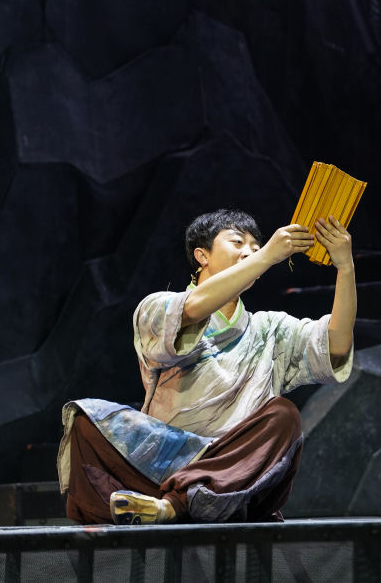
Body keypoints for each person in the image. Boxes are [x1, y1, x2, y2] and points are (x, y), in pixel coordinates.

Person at [56, 209, 356, 524]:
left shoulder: (271, 329)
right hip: (164, 464)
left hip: (237, 470)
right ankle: (160, 506)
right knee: (87, 419)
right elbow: (193, 308)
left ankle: (176, 506)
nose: (250, 252)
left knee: (284, 415)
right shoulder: (158, 306)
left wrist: (345, 267)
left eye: (256, 247)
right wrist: (267, 256)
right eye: (238, 242)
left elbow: (336, 345)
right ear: (202, 255)